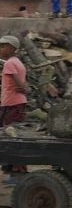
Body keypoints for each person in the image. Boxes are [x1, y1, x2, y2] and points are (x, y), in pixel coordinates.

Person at [0, 35, 28, 185]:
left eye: (4, 46)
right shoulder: (17, 62)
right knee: (14, 136)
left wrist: (21, 88)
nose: (1, 49)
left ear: (12, 48)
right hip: (16, 103)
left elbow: (19, 84)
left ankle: (17, 173)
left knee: (12, 137)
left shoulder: (9, 64)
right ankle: (14, 170)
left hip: (11, 104)